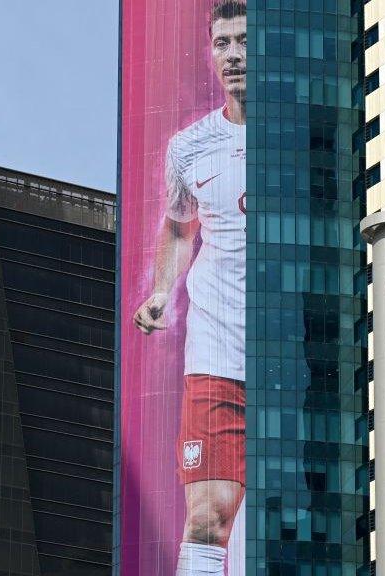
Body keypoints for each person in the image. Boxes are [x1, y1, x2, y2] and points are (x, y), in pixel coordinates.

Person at [132, 2, 247, 574]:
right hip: (216, 355)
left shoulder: (303, 137)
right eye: (223, 43)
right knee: (208, 514)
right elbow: (179, 228)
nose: (234, 55)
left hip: (293, 358)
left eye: (245, 41)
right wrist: (160, 293)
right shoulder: (189, 146)